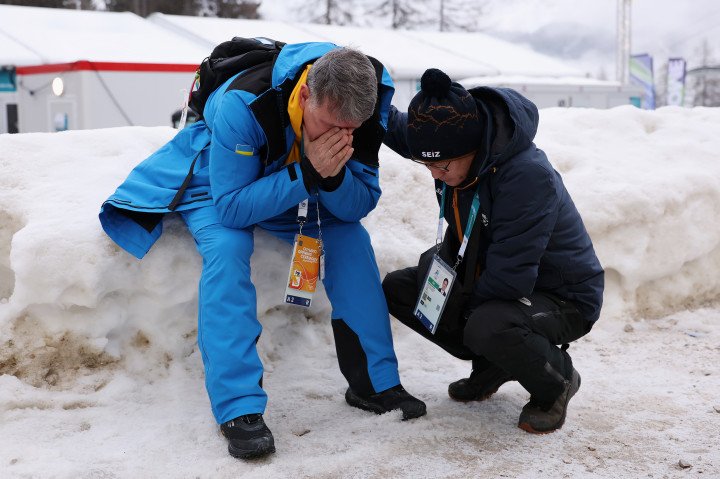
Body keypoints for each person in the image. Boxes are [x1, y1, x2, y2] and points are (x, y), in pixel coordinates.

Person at [99, 40, 426, 460]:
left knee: (351, 240)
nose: (340, 137)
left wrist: (328, 177)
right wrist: (307, 171)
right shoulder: (244, 103)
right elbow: (232, 207)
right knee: (228, 248)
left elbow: (359, 204)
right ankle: (239, 409)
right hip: (220, 183)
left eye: (350, 130)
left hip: (298, 184)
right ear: (306, 93)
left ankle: (375, 383)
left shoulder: (359, 111)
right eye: (329, 125)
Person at [382, 68, 604, 434]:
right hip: (497, 279)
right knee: (402, 290)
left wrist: (458, 306)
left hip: (562, 296)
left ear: (475, 149)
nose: (435, 175)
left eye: (441, 166)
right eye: (427, 165)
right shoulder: (452, 144)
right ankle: (497, 363)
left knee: (485, 324)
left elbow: (511, 277)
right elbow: (394, 126)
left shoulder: (527, 177)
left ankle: (556, 382)